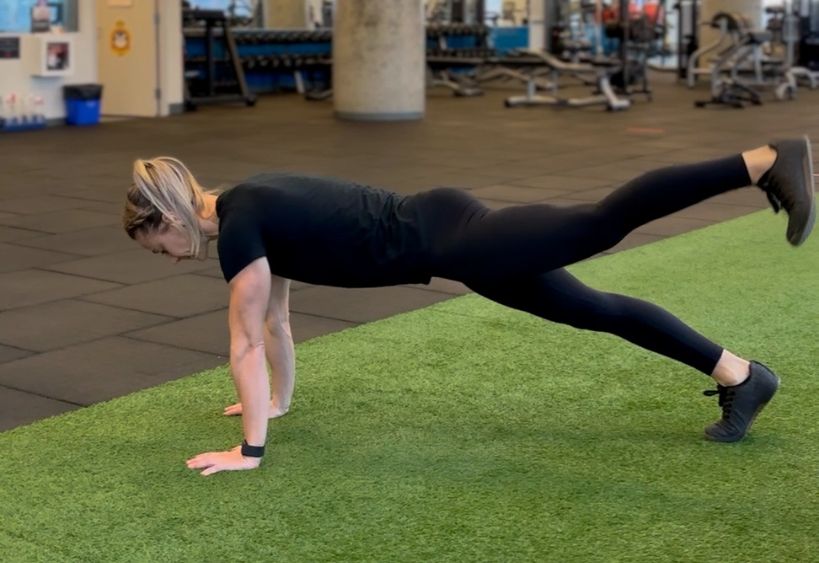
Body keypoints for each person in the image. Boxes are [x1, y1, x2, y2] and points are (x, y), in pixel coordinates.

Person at [122, 137, 815, 476]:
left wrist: (249, 449)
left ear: (167, 217)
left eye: (155, 244)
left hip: (459, 240)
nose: (163, 256)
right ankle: (741, 375)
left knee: (601, 221)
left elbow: (243, 340)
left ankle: (760, 161)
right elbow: (274, 321)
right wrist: (272, 403)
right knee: (594, 308)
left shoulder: (240, 228)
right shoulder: (246, 208)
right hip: (452, 238)